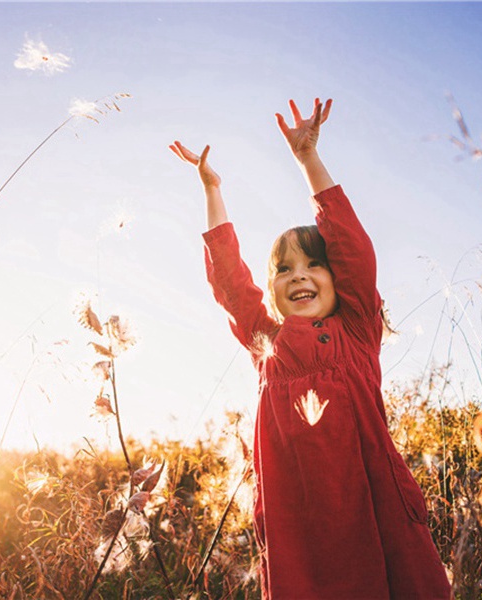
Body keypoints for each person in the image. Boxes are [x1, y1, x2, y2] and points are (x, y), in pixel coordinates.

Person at [170, 99, 452, 599]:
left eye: (312, 264)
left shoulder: (357, 328)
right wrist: (213, 190)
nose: (298, 274)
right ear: (274, 288)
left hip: (377, 510)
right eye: (283, 268)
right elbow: (230, 282)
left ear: (336, 279)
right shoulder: (269, 346)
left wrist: (308, 161)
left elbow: (353, 247)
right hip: (298, 527)